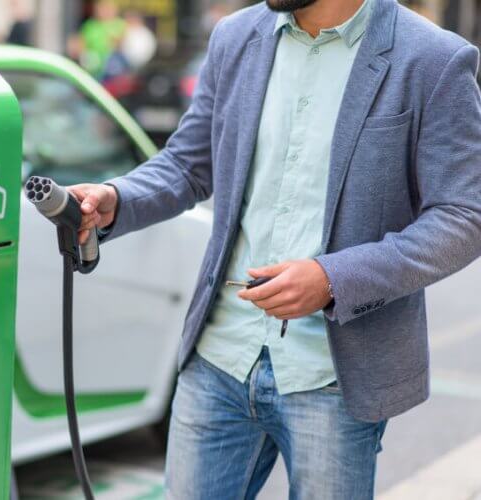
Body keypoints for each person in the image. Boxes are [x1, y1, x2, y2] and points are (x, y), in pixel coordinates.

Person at [68, 0, 481, 497]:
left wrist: (333, 279)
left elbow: (463, 216)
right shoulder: (235, 37)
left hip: (333, 376)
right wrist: (117, 198)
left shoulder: (434, 59)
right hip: (218, 358)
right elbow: (188, 163)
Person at [76, 0, 126, 78]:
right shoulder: (90, 25)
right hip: (93, 66)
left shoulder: (120, 24)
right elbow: (81, 43)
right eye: (102, 8)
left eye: (108, 8)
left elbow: (122, 45)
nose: (104, 11)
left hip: (113, 68)